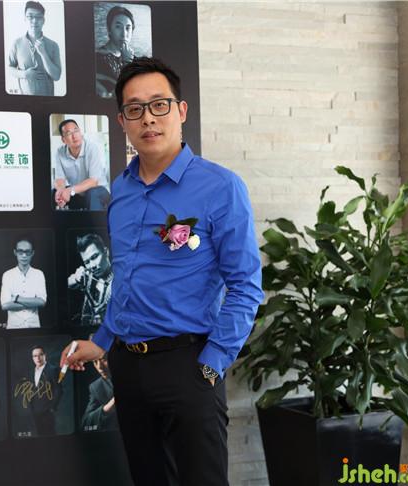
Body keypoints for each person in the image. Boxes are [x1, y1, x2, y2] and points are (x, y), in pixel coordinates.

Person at [61, 58, 264, 486]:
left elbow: (246, 286)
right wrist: (102, 341)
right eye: (134, 109)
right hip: (128, 367)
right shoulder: (121, 189)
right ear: (122, 121)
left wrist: (212, 365)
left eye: (159, 105)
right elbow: (126, 281)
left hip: (188, 366)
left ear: (181, 111)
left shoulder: (221, 187)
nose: (148, 118)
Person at [53, 119, 110, 211]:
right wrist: (60, 191)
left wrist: (70, 190)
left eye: (76, 130)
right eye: (69, 133)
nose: (74, 136)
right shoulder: (60, 152)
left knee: (93, 193)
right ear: (63, 140)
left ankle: (95, 221)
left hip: (99, 191)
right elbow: (60, 179)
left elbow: (93, 181)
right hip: (78, 193)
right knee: (54, 193)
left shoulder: (91, 148)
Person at [7, 1, 62, 96]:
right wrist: (24, 74)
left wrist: (43, 53)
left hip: (48, 100)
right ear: (25, 19)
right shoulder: (17, 43)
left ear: (43, 20)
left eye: (38, 17)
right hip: (24, 100)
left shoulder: (53, 45)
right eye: (30, 16)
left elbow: (56, 76)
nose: (34, 20)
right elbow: (9, 68)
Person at [0, 238, 47, 329]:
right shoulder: (7, 275)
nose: (24, 255)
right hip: (13, 327)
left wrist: (17, 298)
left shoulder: (39, 274)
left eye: (27, 252)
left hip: (34, 327)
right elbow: (5, 305)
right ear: (15, 252)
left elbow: (42, 302)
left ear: (32, 253)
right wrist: (32, 303)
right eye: (20, 251)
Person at [68, 234, 112, 325]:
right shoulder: (89, 276)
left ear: (106, 252)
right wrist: (76, 278)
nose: (92, 266)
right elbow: (68, 282)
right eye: (87, 262)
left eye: (94, 257)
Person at [96, 6, 135, 98]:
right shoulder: (98, 58)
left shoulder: (134, 59)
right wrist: (127, 62)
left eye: (128, 28)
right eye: (118, 27)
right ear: (109, 29)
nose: (124, 34)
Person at [24, 346, 62, 436]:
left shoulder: (53, 369)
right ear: (32, 358)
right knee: (39, 436)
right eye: (35, 356)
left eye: (40, 355)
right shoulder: (31, 372)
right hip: (35, 412)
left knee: (50, 436)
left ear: (45, 355)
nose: (38, 358)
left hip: (47, 412)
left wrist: (52, 408)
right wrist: (30, 407)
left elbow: (59, 390)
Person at [80, 353, 117, 432]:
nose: (99, 367)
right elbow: (85, 423)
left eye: (104, 359)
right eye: (95, 361)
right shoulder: (96, 387)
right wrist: (108, 407)